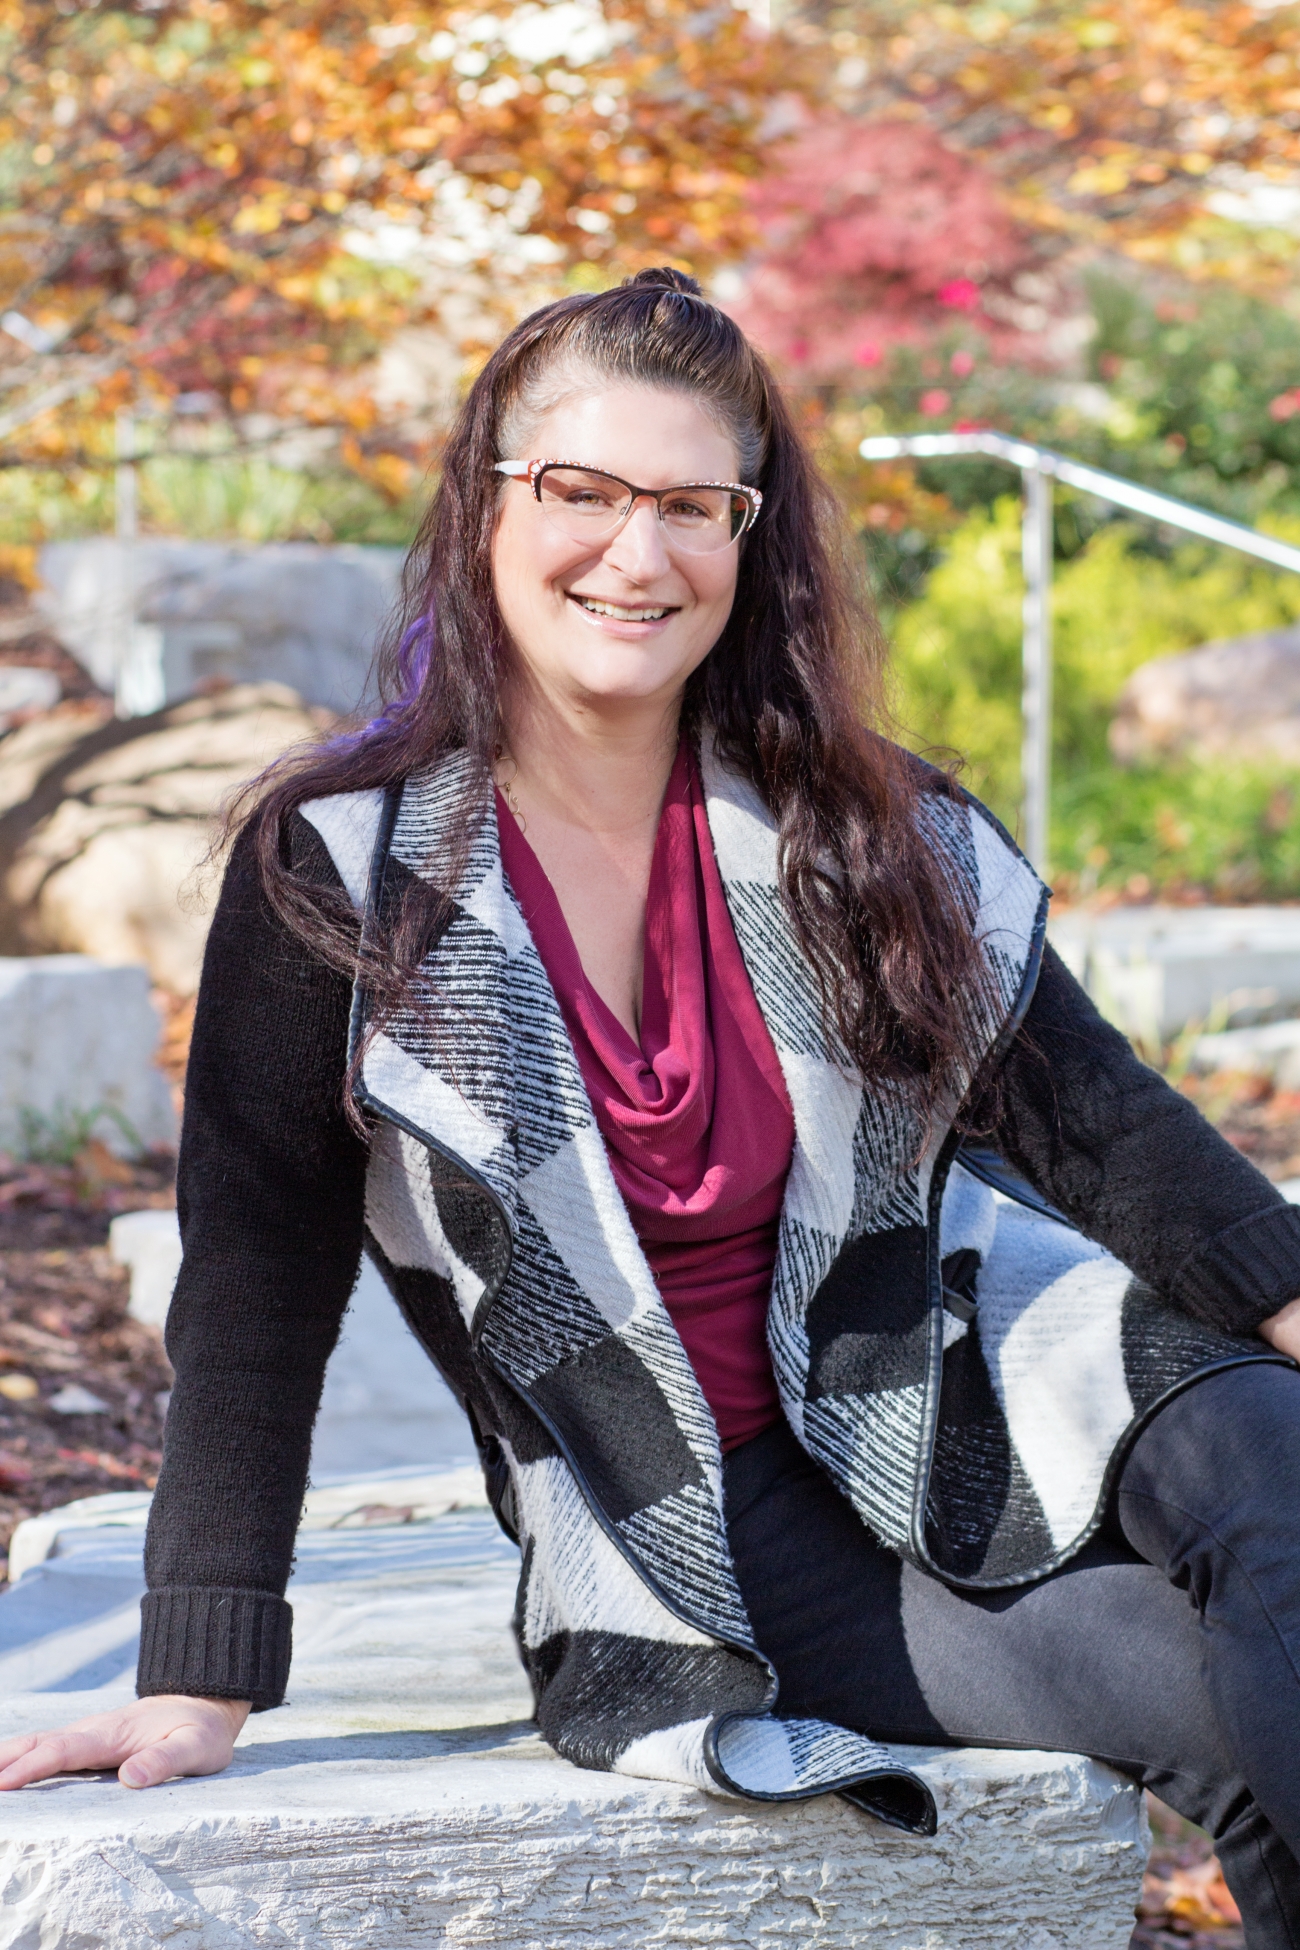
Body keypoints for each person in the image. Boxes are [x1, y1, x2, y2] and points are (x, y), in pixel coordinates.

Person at [3, 267, 1300, 1939]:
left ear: (748, 539)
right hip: (708, 1507)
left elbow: (1101, 1124)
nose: (640, 552)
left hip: (969, 1366)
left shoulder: (859, 829)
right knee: (1225, 1711)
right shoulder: (347, 876)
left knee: (1277, 1457)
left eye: (695, 504)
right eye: (584, 492)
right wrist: (200, 1669)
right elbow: (256, 1288)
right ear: (488, 504)